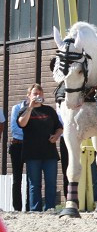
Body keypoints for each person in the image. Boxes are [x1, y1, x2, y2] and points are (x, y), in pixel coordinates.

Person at [17, 84, 64, 212]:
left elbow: (59, 127)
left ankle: (50, 208)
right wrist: (30, 107)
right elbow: (22, 123)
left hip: (50, 154)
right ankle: (35, 210)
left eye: (40, 93)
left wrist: (56, 136)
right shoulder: (24, 110)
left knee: (51, 183)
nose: (38, 96)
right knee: (34, 185)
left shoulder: (49, 110)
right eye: (35, 93)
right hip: (32, 154)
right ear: (29, 95)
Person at [8, 95, 28, 211]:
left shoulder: (36, 110)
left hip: (30, 146)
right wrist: (30, 133)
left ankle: (30, 206)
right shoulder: (16, 108)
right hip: (17, 145)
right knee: (17, 178)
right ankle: (17, 207)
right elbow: (14, 129)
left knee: (32, 178)